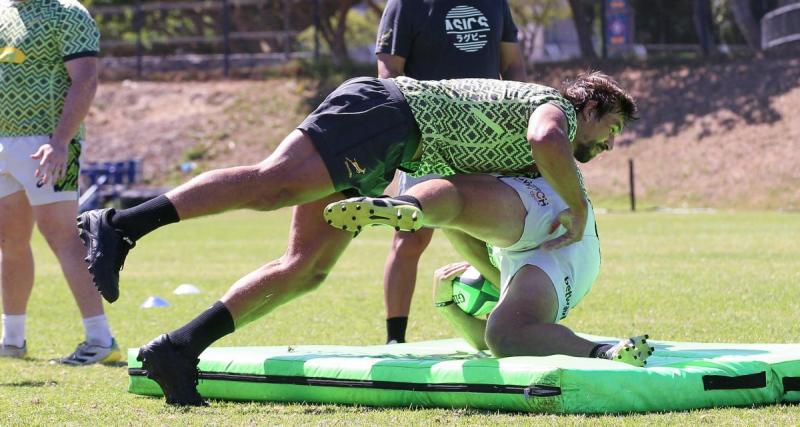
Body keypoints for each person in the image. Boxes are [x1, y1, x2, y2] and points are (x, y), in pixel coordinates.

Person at [78, 71, 636, 405]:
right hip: (386, 112)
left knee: (305, 268)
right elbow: (545, 137)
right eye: (609, 130)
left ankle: (178, 350)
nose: (607, 145)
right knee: (274, 184)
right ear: (589, 106)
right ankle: (121, 225)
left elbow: (470, 212)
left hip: (396, 148)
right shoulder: (555, 109)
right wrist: (581, 204)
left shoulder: (542, 154)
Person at [326, 173, 652, 365]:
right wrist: (446, 305)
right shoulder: (517, 295)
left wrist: (447, 304)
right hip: (528, 257)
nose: (610, 143)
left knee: (456, 213)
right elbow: (489, 341)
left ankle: (412, 202)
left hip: (559, 244)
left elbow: (481, 342)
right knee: (502, 334)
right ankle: (607, 352)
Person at [375, 0, 527, 344]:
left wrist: (516, 114)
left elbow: (514, 64)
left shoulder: (493, 3)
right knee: (409, 234)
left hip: (484, 139)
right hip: (427, 136)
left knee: (496, 236)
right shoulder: (406, 4)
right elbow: (388, 74)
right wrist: (408, 131)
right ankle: (394, 339)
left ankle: (515, 321)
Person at [0, 0, 120, 364]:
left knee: (62, 236)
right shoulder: (3, 11)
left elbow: (85, 79)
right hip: (4, 143)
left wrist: (60, 142)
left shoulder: (68, 12)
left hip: (48, 143)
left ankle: (101, 341)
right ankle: (12, 341)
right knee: (9, 240)